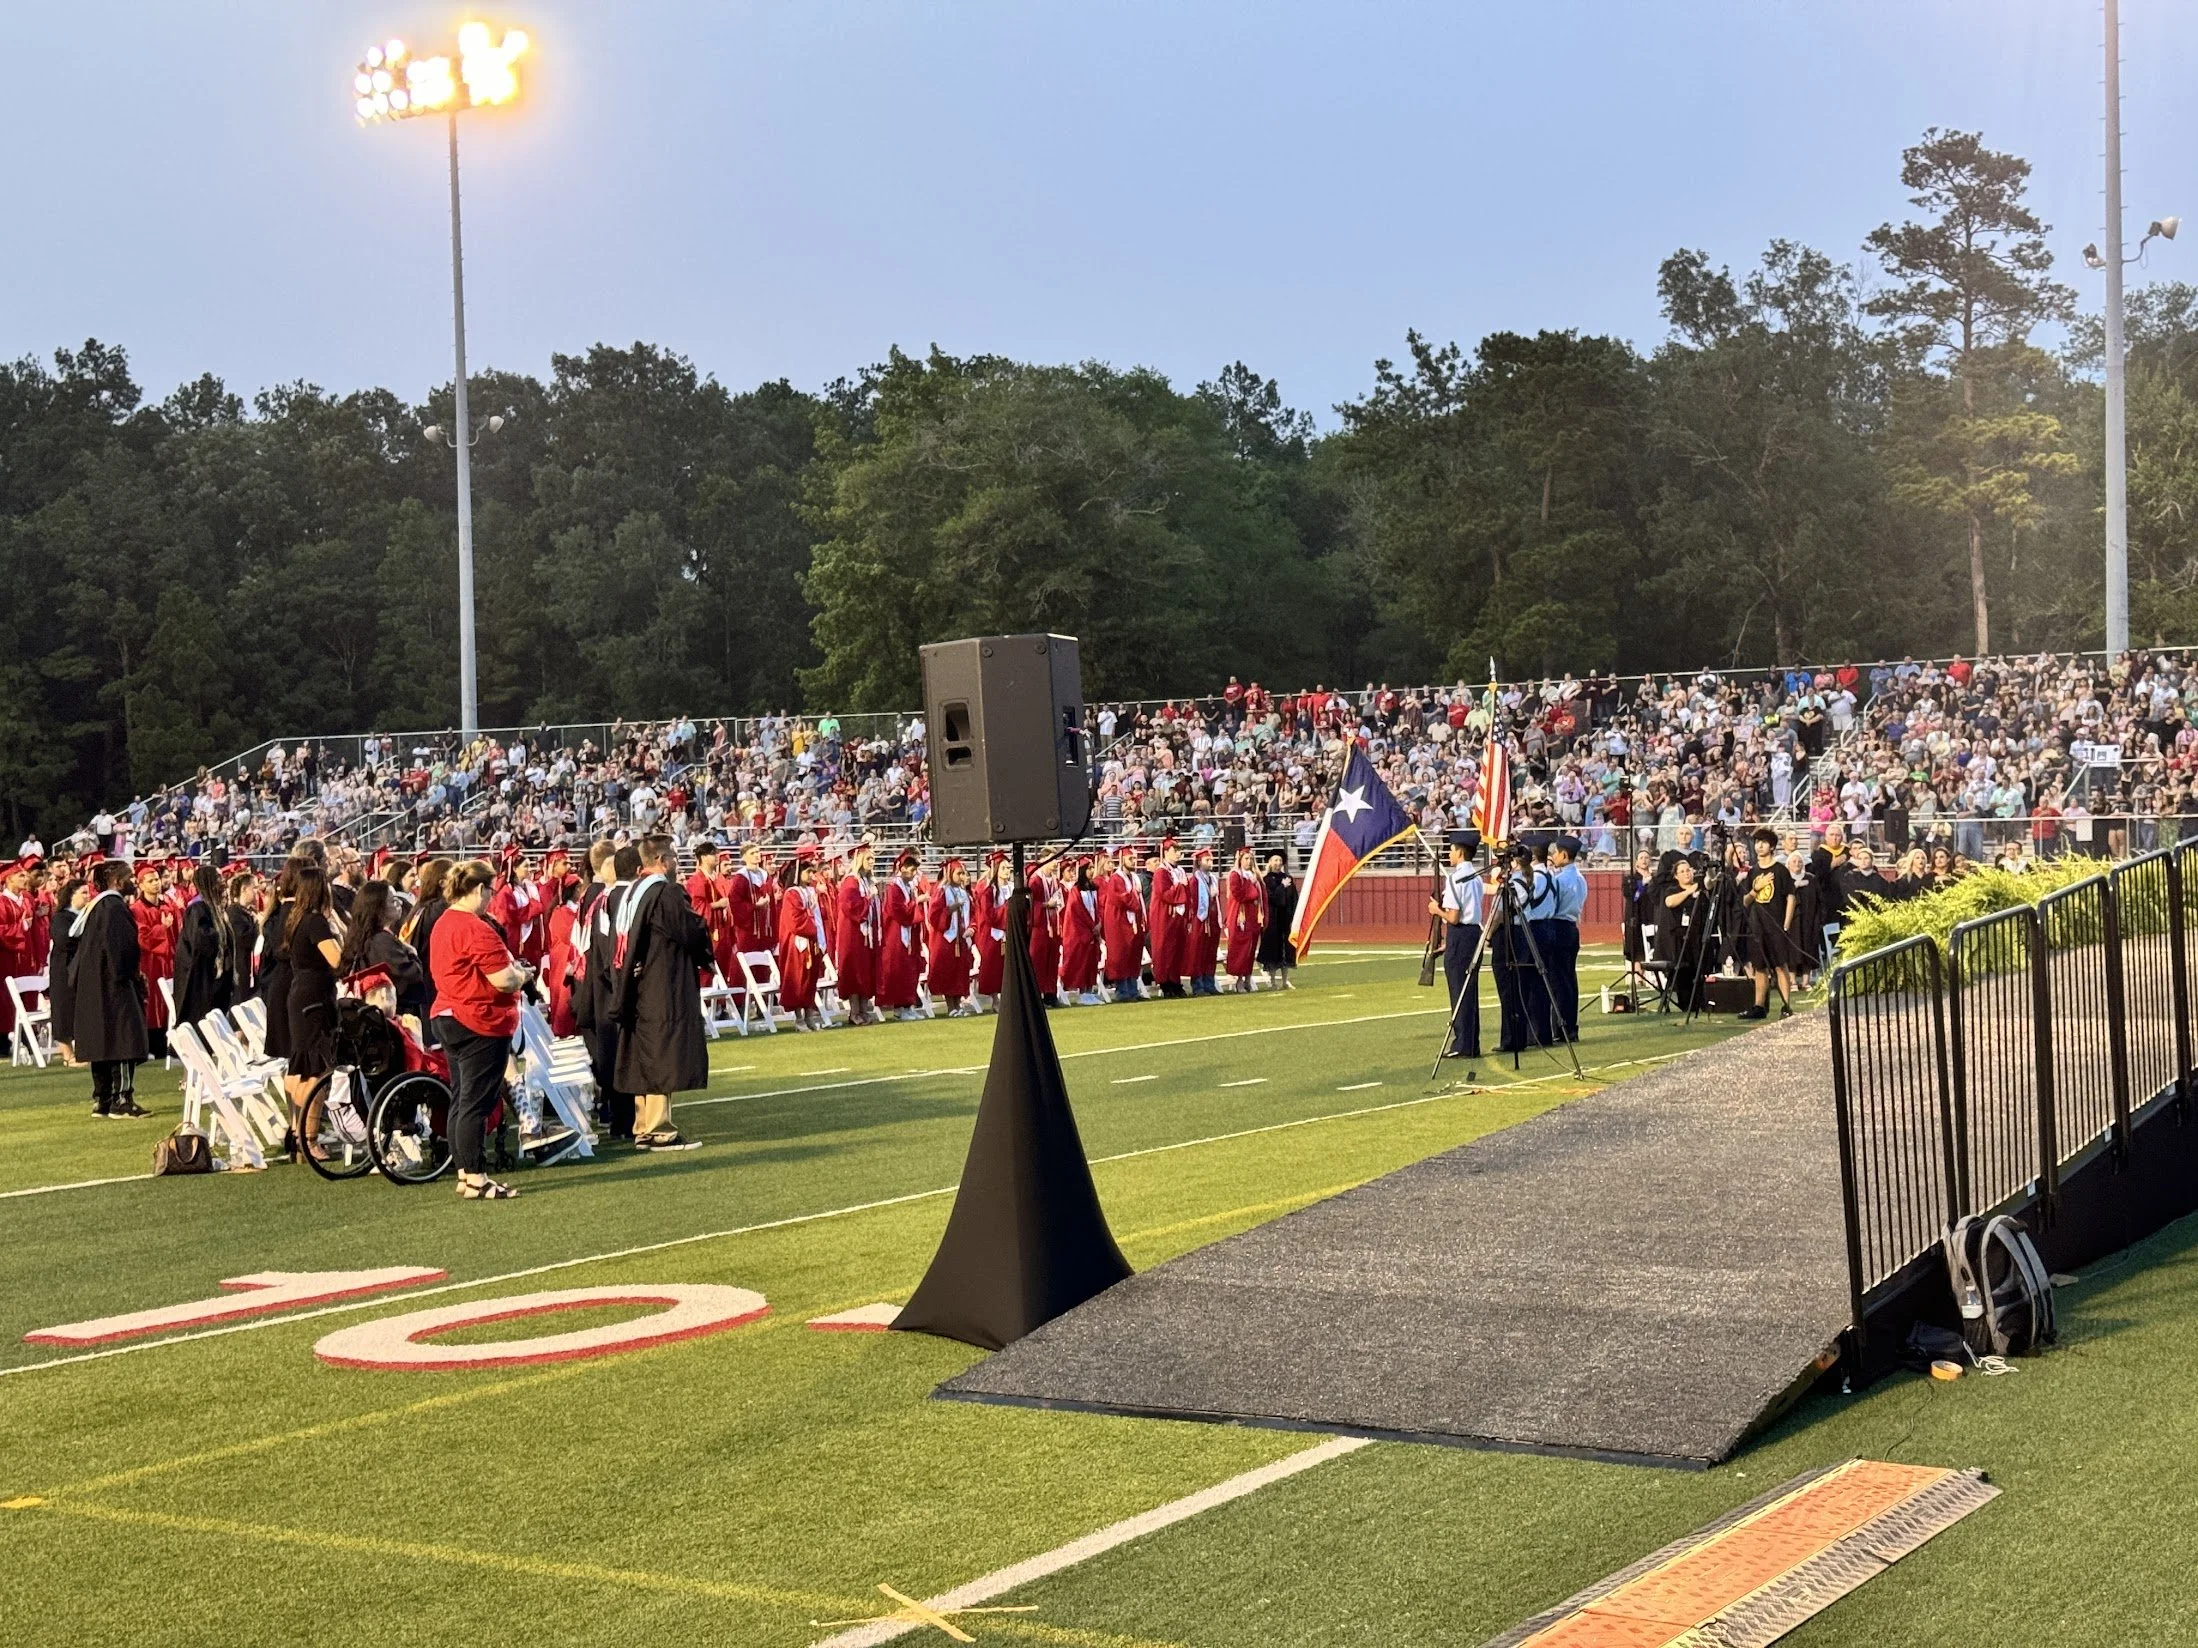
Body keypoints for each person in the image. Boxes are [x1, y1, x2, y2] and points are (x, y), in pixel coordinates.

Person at [429, 858, 533, 1199]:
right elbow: (503, 980)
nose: (491, 897)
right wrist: (522, 975)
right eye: (489, 890)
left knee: (461, 1098)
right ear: (477, 889)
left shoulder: (445, 922)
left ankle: (465, 1171)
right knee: (476, 1101)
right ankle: (475, 1175)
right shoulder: (475, 927)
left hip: (448, 1013)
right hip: (478, 1018)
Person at [611, 834, 714, 1151]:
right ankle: (660, 1130)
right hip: (662, 982)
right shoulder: (664, 892)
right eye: (673, 857)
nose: (676, 863)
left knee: (643, 1053)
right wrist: (703, 940)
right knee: (661, 1054)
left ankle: (642, 1126)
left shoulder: (630, 893)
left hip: (636, 982)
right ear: (661, 860)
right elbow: (690, 932)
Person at [72, 860, 149, 1118]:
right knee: (124, 1038)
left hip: (94, 983)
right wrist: (133, 975)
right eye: (129, 877)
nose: (133, 881)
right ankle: (122, 1099)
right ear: (117, 880)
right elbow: (124, 948)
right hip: (114, 984)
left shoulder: (96, 908)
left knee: (102, 1040)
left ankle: (102, 1099)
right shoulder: (114, 907)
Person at [284, 861, 346, 1156]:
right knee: (318, 1071)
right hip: (314, 997)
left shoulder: (296, 919)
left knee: (302, 1067)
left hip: (302, 993)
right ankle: (308, 1139)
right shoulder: (316, 922)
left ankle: (298, 1133)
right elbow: (337, 960)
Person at [1429, 830, 1485, 1060]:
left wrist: (1436, 910)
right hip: (1473, 934)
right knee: (1469, 991)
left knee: (1459, 991)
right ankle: (1471, 1041)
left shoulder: (1455, 878)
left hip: (1461, 933)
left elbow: (1453, 916)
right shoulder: (1477, 877)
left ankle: (1462, 1043)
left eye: (1451, 850)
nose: (1449, 854)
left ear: (1460, 852)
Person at [336, 881, 426, 1020]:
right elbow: (411, 975)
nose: (399, 903)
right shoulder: (381, 941)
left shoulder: (366, 936)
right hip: (393, 1012)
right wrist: (412, 953)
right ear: (378, 908)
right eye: (392, 901)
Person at [1739, 826, 1797, 1021]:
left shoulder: (1780, 870)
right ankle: (1759, 1005)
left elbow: (1790, 897)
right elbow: (1746, 901)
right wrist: (1756, 889)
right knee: (1759, 967)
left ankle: (1786, 1005)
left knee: (1780, 965)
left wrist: (1786, 924)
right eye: (1757, 842)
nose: (1759, 846)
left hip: (1776, 925)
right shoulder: (1753, 871)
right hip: (1757, 925)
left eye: (1764, 842)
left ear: (1772, 846)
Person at [173, 863, 236, 1027]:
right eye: (218, 878)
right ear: (208, 882)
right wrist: (220, 935)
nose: (222, 883)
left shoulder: (214, 908)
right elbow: (202, 940)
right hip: (199, 976)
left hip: (211, 975)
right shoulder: (198, 908)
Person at [775, 850, 830, 1030]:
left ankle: (809, 1015)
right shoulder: (792, 893)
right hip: (797, 944)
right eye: (808, 872)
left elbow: (817, 914)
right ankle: (798, 1017)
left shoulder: (809, 892)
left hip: (811, 942)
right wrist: (813, 924)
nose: (812, 876)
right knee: (797, 979)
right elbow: (795, 921)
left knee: (810, 979)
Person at [832, 843, 880, 1026]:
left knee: (866, 972)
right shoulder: (850, 881)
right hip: (853, 934)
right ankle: (854, 1012)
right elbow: (850, 907)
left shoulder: (868, 881)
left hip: (866, 935)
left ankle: (864, 1009)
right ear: (859, 860)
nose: (871, 862)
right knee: (855, 972)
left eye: (873, 858)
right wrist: (868, 899)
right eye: (868, 858)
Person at [1547, 835, 1589, 1041]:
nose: (1553, 856)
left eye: (1555, 852)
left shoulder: (1559, 879)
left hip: (1558, 926)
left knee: (1558, 980)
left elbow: (1551, 906)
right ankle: (1570, 1026)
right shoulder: (1580, 878)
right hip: (1572, 927)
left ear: (1564, 854)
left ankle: (1561, 1027)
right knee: (1569, 979)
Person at [877, 848, 925, 1021]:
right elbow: (897, 912)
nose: (913, 874)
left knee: (910, 970)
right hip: (896, 935)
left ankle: (908, 1005)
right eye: (911, 869)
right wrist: (915, 903)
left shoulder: (908, 887)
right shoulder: (893, 888)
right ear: (902, 868)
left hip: (909, 934)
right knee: (899, 971)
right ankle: (899, 1008)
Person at [925, 857, 976, 1016]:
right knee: (948, 972)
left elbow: (974, 915)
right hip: (946, 939)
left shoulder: (965, 893)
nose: (962, 876)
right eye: (959, 873)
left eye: (964, 873)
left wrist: (972, 928)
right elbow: (934, 917)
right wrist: (951, 909)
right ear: (949, 873)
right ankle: (951, 1007)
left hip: (962, 938)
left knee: (960, 972)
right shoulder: (941, 891)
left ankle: (958, 1005)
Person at [46, 876, 89, 1065]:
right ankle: (67, 1055)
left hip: (82, 968)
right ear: (72, 895)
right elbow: (64, 940)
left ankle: (82, 1050)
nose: (88, 896)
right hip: (64, 969)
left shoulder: (86, 915)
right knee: (64, 1009)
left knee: (80, 1009)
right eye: (84, 893)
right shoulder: (62, 917)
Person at [1099, 848, 1147, 1003]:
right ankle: (1122, 991)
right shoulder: (1116, 879)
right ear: (1122, 860)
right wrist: (1134, 893)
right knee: (1121, 956)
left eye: (1134, 859)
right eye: (1130, 859)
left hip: (1133, 922)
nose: (1133, 862)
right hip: (1120, 922)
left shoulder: (1134, 878)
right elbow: (1120, 899)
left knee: (1133, 955)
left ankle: (1133, 989)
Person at [1221, 846, 1266, 993]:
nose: (1249, 862)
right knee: (1240, 948)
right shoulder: (1236, 875)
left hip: (1253, 916)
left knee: (1251, 948)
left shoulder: (1253, 875)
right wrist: (1251, 888)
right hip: (1241, 916)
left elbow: (1261, 896)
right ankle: (1238, 979)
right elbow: (1239, 895)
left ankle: (1247, 977)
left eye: (1251, 859)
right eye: (1246, 858)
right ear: (1239, 859)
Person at [1059, 857, 1103, 1006]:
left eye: (1092, 868)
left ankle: (1090, 991)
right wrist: (1092, 927)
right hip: (1081, 934)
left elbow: (1097, 909)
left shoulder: (1093, 888)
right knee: (1082, 964)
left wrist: (1099, 924)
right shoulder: (1075, 891)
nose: (1091, 871)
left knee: (1092, 963)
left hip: (1092, 931)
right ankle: (1082, 993)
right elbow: (1077, 913)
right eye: (1089, 868)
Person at [1258, 851, 1298, 990]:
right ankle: (1273, 981)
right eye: (1275, 860)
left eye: (1279, 860)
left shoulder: (1288, 878)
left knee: (1286, 949)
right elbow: (1271, 897)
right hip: (1273, 918)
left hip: (1285, 918)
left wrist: (1293, 916)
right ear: (1270, 862)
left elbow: (1294, 899)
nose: (1277, 863)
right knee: (1273, 949)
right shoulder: (1266, 880)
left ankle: (1285, 980)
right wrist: (1282, 887)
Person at [1187, 847, 1223, 995]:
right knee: (1198, 953)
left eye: (1211, 860)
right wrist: (1209, 896)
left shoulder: (1213, 878)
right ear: (1199, 862)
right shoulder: (1195, 880)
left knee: (1210, 953)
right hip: (1200, 920)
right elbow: (1194, 901)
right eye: (1207, 860)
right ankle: (1198, 985)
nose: (1210, 862)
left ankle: (1210, 983)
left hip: (1213, 919)